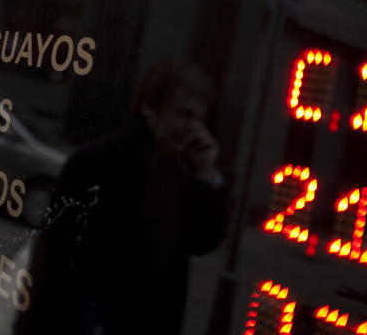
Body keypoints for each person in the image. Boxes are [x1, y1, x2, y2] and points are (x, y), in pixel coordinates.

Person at [17, 59, 229, 334]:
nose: (194, 127)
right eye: (184, 114)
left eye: (200, 118)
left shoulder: (182, 172)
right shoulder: (96, 163)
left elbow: (203, 242)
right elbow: (55, 263)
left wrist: (206, 175)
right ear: (150, 109)